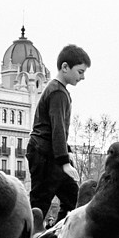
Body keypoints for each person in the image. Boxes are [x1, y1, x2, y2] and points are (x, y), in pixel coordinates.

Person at [27, 44, 90, 224]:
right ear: (65, 67)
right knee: (40, 203)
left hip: (49, 153)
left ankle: (59, 236)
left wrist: (65, 154)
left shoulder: (58, 90)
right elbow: (57, 128)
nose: (83, 77)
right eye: (80, 72)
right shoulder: (57, 92)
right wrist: (64, 161)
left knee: (73, 199)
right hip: (46, 155)